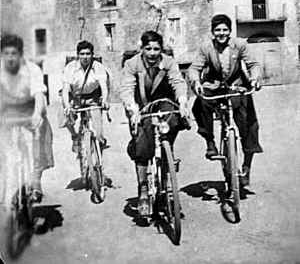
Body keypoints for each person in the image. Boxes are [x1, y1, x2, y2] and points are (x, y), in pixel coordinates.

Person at [120, 30, 190, 215]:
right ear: (141, 49)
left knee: (172, 124)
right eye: (148, 49)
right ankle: (143, 190)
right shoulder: (131, 64)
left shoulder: (168, 62)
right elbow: (127, 88)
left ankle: (169, 185)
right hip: (140, 108)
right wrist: (132, 108)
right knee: (142, 146)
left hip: (164, 103)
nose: (152, 53)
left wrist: (182, 101)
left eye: (156, 49)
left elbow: (178, 82)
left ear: (161, 49)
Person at [189, 14, 263, 187]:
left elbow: (253, 64)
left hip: (237, 86)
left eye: (224, 30)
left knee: (249, 122)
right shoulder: (206, 47)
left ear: (230, 31)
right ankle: (210, 143)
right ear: (213, 32)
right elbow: (194, 68)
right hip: (214, 86)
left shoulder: (240, 45)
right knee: (200, 103)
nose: (221, 33)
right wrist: (196, 82)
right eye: (217, 30)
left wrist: (255, 79)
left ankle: (246, 167)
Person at [0, 34, 54, 201]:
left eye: (13, 53)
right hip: (7, 110)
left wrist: (37, 114)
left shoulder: (32, 69)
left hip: (30, 109)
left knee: (40, 134)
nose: (10, 58)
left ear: (20, 54)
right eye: (6, 53)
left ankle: (35, 179)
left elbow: (38, 94)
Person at [62, 40, 110, 153]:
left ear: (92, 55)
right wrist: (67, 105)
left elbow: (103, 86)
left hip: (92, 98)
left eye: (88, 54)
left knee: (98, 133)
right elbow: (65, 89)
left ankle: (98, 159)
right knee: (66, 116)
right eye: (82, 54)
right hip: (75, 97)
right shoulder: (70, 68)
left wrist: (105, 100)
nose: (85, 57)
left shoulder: (98, 67)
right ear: (78, 55)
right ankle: (74, 137)